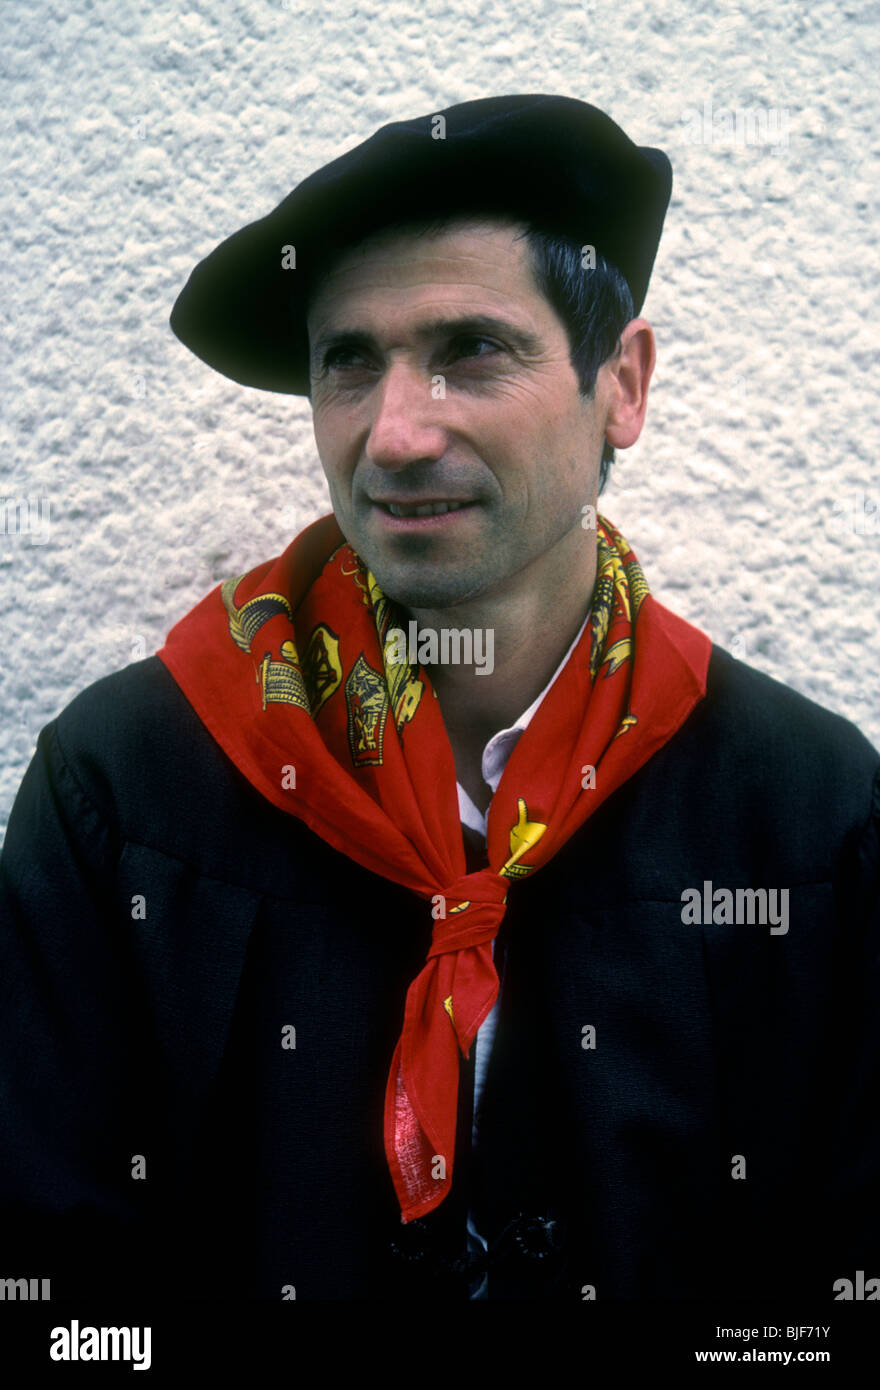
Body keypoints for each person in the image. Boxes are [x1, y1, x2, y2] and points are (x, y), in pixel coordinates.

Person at [1, 95, 877, 1304]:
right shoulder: (123, 791)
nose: (396, 434)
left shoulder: (811, 815)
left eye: (472, 348)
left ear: (619, 383)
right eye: (348, 360)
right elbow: (54, 1299)